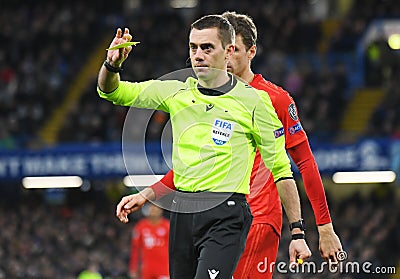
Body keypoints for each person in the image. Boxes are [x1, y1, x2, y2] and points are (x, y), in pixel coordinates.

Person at [118, 12, 343, 279]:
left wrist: (323, 227)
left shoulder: (272, 99)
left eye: (233, 49)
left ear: (250, 52)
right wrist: (148, 193)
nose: (226, 56)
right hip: (206, 215)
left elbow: (303, 163)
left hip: (257, 219)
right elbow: (190, 168)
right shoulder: (199, 99)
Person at [129, 203, 169, 279]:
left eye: (156, 208)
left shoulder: (167, 226)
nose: (153, 210)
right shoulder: (141, 226)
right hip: (147, 268)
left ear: (161, 210)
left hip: (163, 268)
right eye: (151, 207)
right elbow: (135, 249)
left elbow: (173, 250)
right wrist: (133, 268)